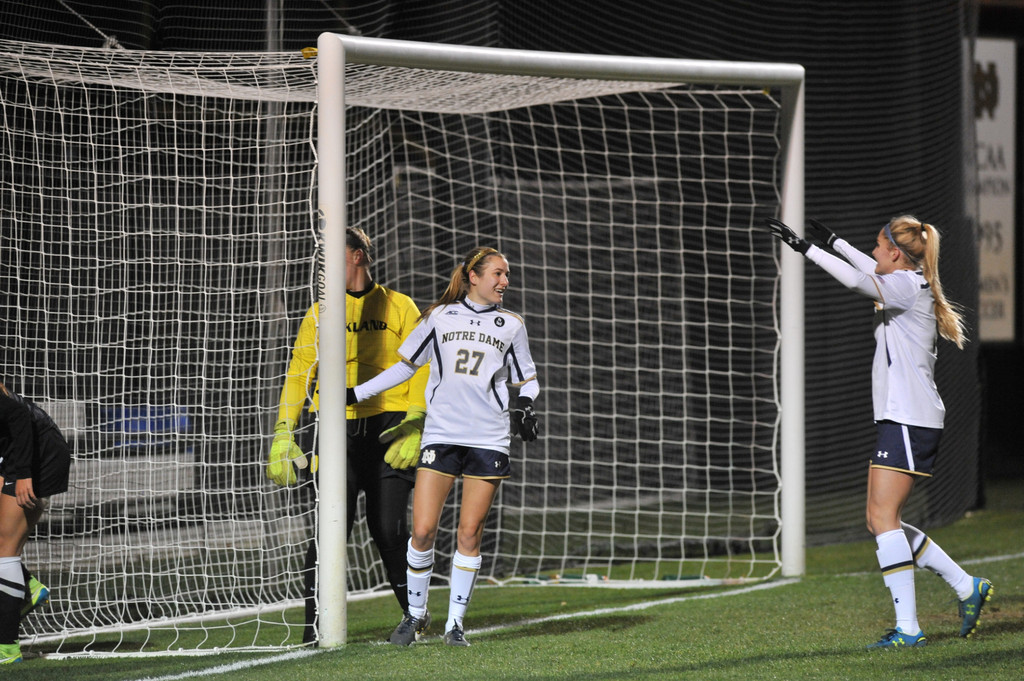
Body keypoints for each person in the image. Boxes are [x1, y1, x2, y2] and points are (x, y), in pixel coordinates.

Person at [767, 215, 994, 649]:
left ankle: (909, 628)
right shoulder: (906, 280)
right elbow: (869, 271)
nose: (872, 251)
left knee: (883, 519)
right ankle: (966, 587)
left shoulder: (906, 287)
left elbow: (859, 282)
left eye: (877, 245)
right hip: (904, 417)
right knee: (880, 520)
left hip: (910, 417)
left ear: (896, 253)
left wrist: (807, 250)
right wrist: (834, 241)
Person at [347, 246, 540, 647]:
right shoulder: (440, 316)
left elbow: (528, 379)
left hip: (488, 437)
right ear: (474, 276)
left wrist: (524, 404)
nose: (505, 281)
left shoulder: (512, 324)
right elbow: (405, 366)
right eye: (499, 274)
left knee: (469, 533)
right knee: (422, 530)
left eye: (506, 275)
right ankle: (414, 617)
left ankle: (455, 626)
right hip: (441, 434)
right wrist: (355, 394)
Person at [266, 226, 429, 645]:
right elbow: (299, 373)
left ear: (357, 256)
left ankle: (415, 619)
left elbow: (423, 365)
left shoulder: (399, 306)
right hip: (335, 430)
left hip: (388, 428)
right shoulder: (320, 312)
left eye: (332, 255)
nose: (324, 266)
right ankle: (311, 632)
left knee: (388, 530)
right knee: (329, 531)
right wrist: (284, 431)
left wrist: (416, 421)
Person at [0, 382, 72, 664]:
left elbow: (17, 415)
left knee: (4, 549)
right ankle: (28, 587)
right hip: (13, 455)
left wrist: (22, 475)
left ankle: (6, 650)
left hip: (39, 456)